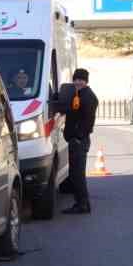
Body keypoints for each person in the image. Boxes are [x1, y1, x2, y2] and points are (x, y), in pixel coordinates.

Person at [50, 67, 99, 215]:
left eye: (81, 80)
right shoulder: (77, 94)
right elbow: (69, 108)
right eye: (76, 79)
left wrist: (78, 136)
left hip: (79, 140)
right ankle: (80, 202)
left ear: (86, 81)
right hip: (75, 140)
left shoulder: (88, 97)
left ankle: (82, 205)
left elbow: (88, 122)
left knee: (78, 175)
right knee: (75, 174)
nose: (78, 82)